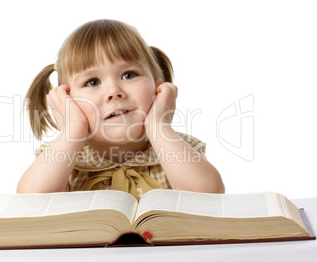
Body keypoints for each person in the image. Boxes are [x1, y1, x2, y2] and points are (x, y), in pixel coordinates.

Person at [17, 19, 224, 199]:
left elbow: (209, 196)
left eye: (129, 75)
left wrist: (158, 126)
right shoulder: (64, 156)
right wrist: (73, 129)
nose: (114, 92)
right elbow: (29, 203)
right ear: (67, 100)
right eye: (92, 81)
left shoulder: (176, 148)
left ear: (157, 87)